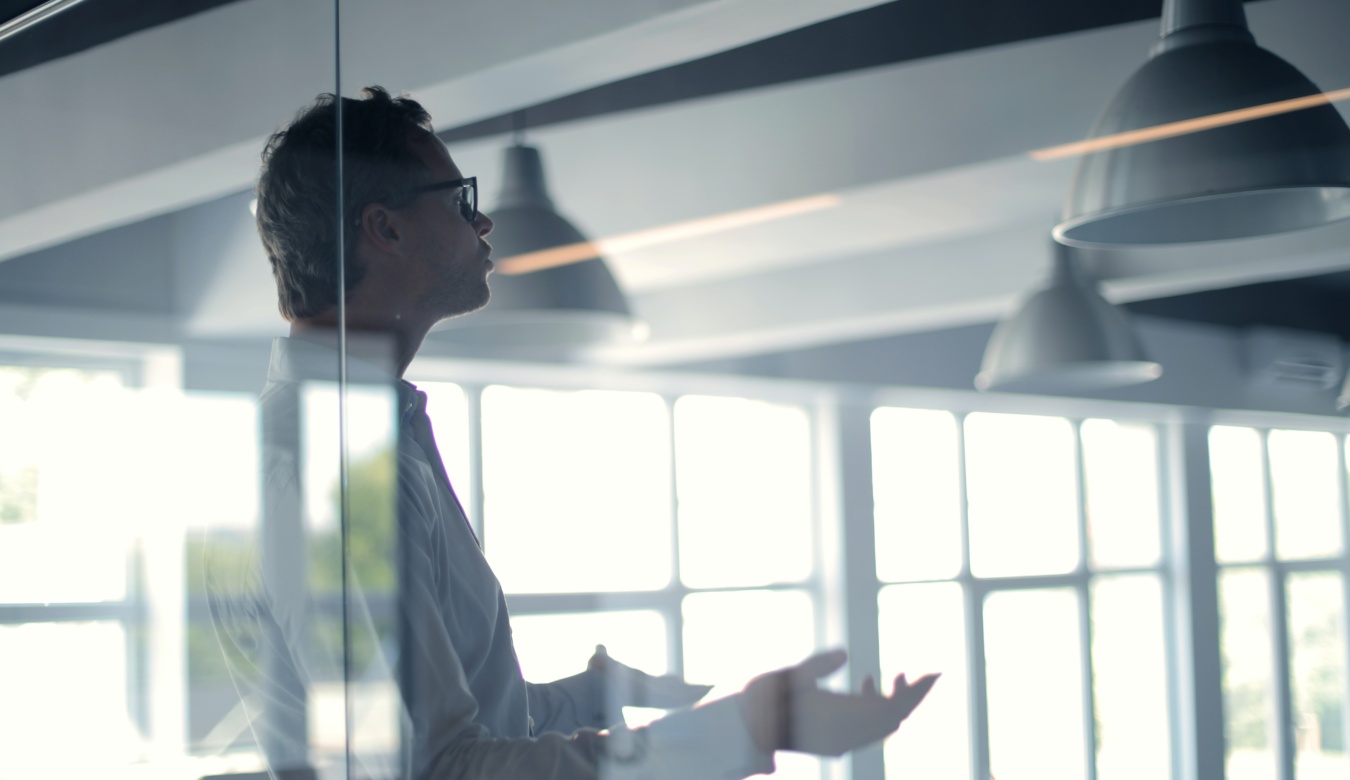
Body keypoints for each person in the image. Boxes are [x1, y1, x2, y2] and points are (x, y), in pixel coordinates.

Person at [218, 85, 937, 780]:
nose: (485, 222)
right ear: (386, 227)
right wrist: (752, 729)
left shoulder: (361, 439)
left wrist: (609, 692)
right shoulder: (328, 466)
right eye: (462, 199)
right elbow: (443, 771)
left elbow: (470, 728)